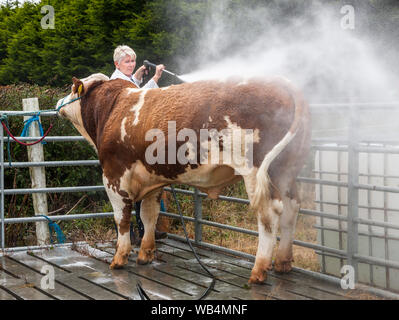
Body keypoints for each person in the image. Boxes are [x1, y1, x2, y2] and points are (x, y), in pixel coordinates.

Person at [111, 45, 168, 244]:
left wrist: (136, 77)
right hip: (124, 144)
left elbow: (131, 87)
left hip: (132, 141)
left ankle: (144, 231)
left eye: (133, 61)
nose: (131, 64)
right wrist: (155, 80)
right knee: (127, 190)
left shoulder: (122, 79)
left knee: (138, 187)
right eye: (127, 62)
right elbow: (137, 100)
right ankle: (132, 233)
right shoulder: (115, 81)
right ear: (117, 64)